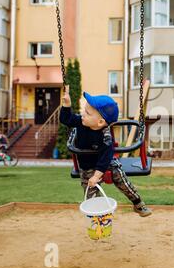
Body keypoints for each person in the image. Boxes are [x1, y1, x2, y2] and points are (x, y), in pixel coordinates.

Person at [60, 85, 152, 217]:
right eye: (84, 111)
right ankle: (97, 220)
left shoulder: (105, 136)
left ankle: (138, 203)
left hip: (106, 162)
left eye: (87, 113)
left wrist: (97, 176)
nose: (82, 115)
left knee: (120, 177)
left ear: (100, 122)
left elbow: (105, 158)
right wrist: (67, 105)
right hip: (86, 165)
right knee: (90, 194)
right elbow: (66, 119)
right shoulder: (80, 122)